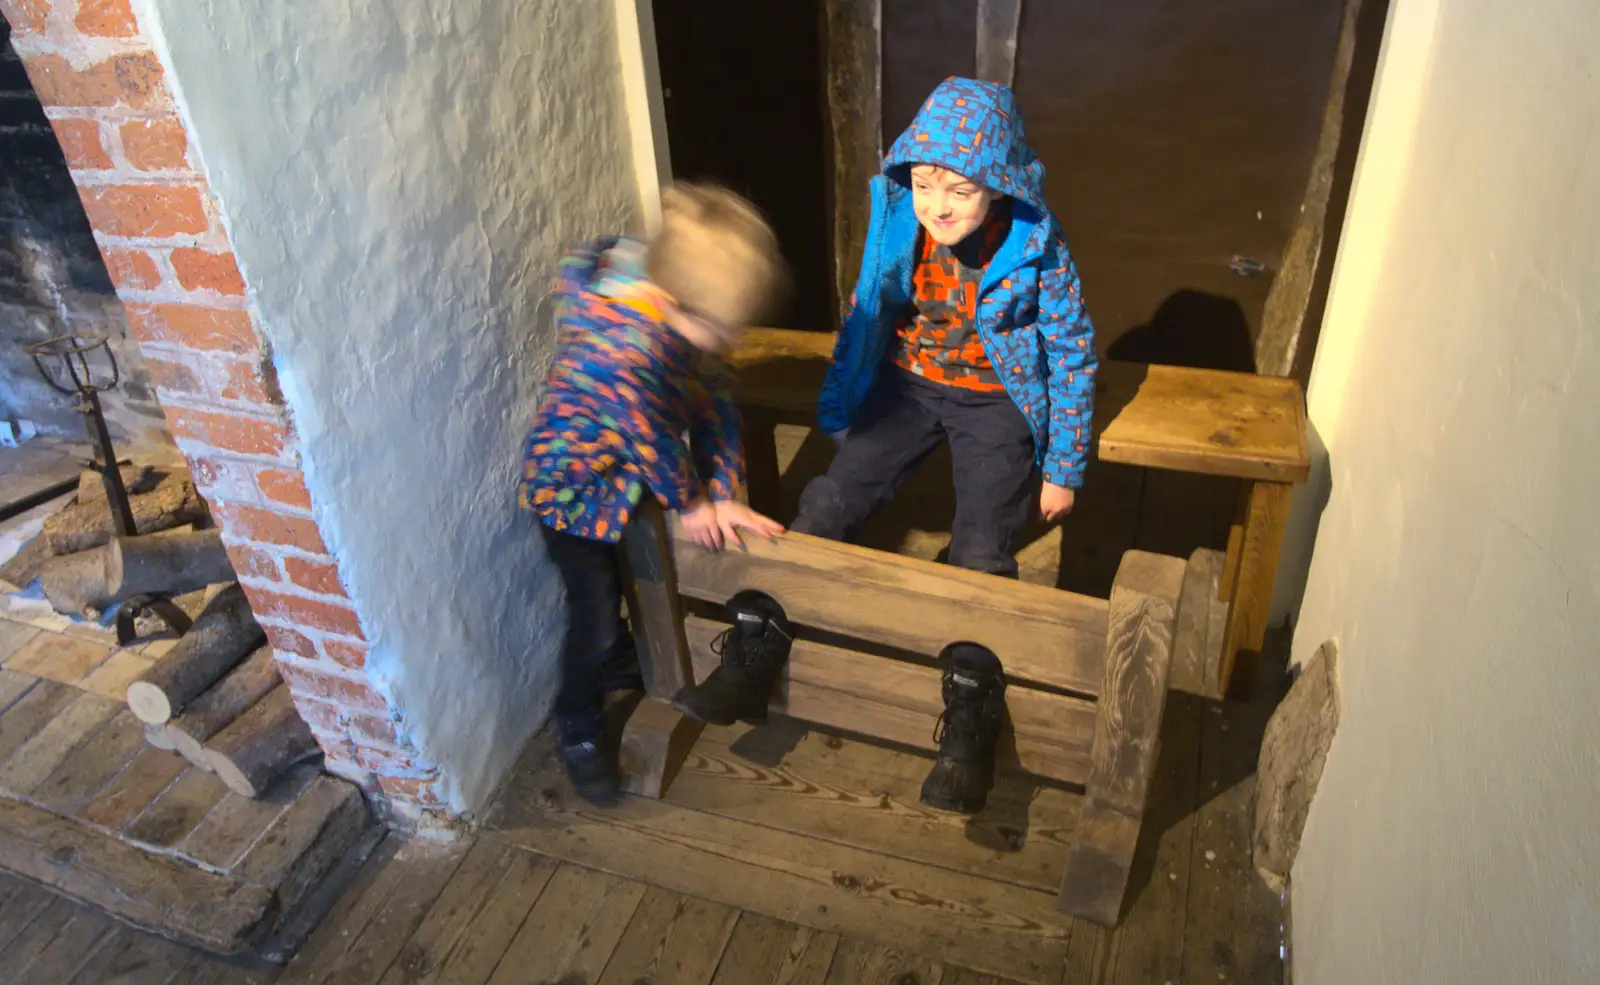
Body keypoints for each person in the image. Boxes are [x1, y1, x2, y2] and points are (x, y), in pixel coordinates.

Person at [794, 77, 1098, 813]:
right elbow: (870, 304)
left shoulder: (1037, 248)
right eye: (927, 184)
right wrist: (843, 398)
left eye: (960, 190)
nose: (940, 205)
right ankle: (770, 619)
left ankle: (968, 708)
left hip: (997, 399)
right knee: (836, 491)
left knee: (982, 545)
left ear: (998, 185)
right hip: (909, 380)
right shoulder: (904, 221)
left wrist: (1063, 466)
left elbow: (1073, 354)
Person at [519, 183, 789, 804]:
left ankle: (623, 655)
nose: (730, 343)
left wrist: (722, 488)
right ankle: (579, 722)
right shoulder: (625, 355)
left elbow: (715, 398)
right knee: (591, 616)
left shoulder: (687, 310)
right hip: (571, 495)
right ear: (671, 302)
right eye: (721, 330)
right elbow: (657, 445)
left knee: (630, 583)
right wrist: (695, 505)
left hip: (623, 482)